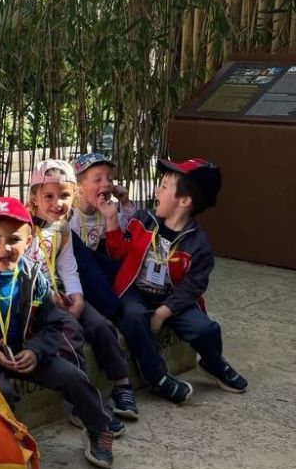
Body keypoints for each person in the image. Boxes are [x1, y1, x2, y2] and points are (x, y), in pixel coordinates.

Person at [0, 197, 117, 469]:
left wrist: (35, 350)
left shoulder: (33, 277)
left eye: (14, 239)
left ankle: (98, 429)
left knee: (74, 377)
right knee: (0, 392)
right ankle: (6, 442)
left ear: (29, 240)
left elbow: (53, 324)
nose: (5, 248)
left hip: (25, 352)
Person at [102, 157, 248, 402]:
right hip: (136, 293)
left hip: (173, 299)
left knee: (205, 328)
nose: (156, 191)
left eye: (164, 186)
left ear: (185, 201)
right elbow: (117, 252)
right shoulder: (143, 220)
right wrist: (110, 220)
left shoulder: (198, 243)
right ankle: (157, 378)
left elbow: (193, 286)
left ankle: (213, 362)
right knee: (133, 317)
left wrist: (163, 312)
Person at [24, 159, 138, 429]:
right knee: (70, 331)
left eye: (64, 196)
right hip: (34, 299)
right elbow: (21, 271)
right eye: (49, 196)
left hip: (62, 293)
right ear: (35, 197)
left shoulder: (62, 228)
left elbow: (68, 267)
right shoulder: (23, 228)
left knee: (101, 325)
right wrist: (51, 296)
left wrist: (77, 297)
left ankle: (122, 385)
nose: (57, 203)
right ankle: (84, 406)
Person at [69, 152, 138, 319]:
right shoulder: (71, 217)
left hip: (105, 275)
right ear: (78, 186)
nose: (106, 184)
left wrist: (124, 202)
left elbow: (133, 231)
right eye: (98, 179)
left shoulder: (108, 211)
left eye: (110, 179)